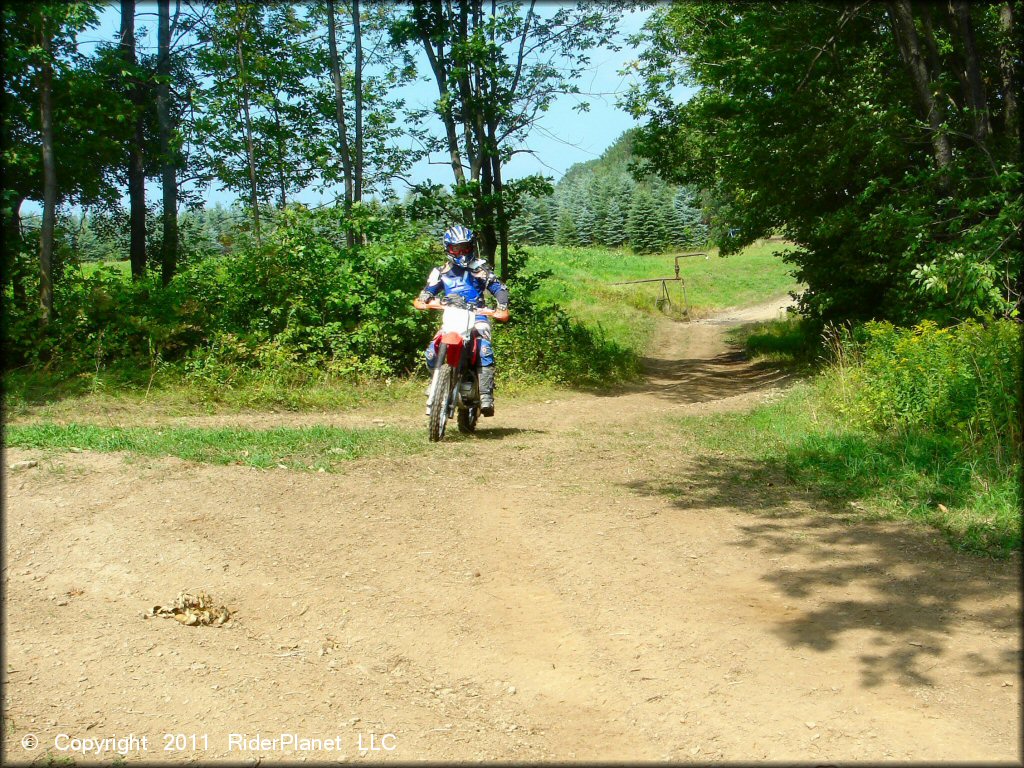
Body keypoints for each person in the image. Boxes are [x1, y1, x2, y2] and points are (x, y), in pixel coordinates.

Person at [412, 224, 510, 416]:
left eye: (464, 247)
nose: (460, 252)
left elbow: (499, 288)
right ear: (448, 248)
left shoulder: (480, 269)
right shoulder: (441, 271)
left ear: (471, 246)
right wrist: (423, 299)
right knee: (432, 350)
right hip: (452, 316)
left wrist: (502, 307)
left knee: (484, 348)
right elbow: (428, 291)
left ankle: (485, 395)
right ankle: (437, 382)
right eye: (456, 248)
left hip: (478, 315)